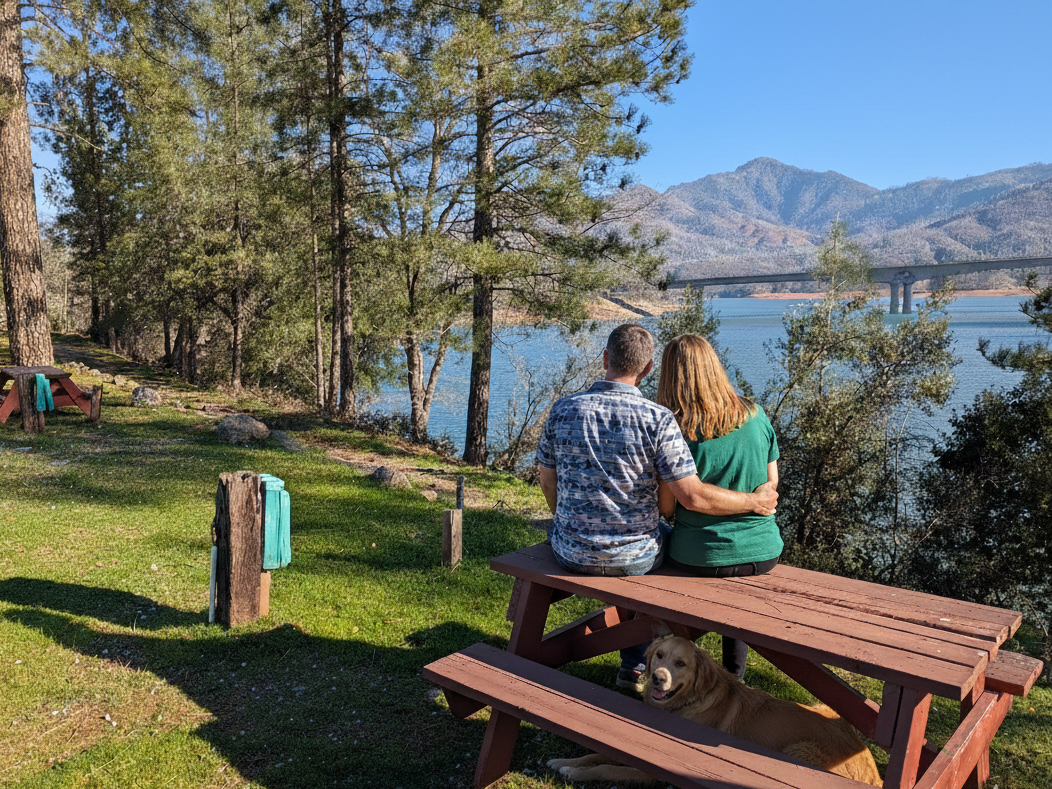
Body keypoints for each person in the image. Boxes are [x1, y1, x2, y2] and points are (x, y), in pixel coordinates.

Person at [536, 324, 778, 689]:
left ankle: (633, 663)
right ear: (647, 368)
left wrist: (566, 521)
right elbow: (695, 495)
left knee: (661, 539)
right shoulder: (659, 419)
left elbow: (547, 480)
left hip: (570, 551)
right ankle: (716, 674)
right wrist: (754, 501)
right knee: (653, 540)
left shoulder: (562, 409)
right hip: (646, 556)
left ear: (605, 359)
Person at [656, 333, 782, 680]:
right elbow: (770, 487)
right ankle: (735, 674)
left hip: (699, 557)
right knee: (735, 594)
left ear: (670, 376)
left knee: (644, 547)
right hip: (763, 553)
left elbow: (668, 506)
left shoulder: (677, 430)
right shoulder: (756, 415)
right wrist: (750, 502)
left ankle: (637, 657)